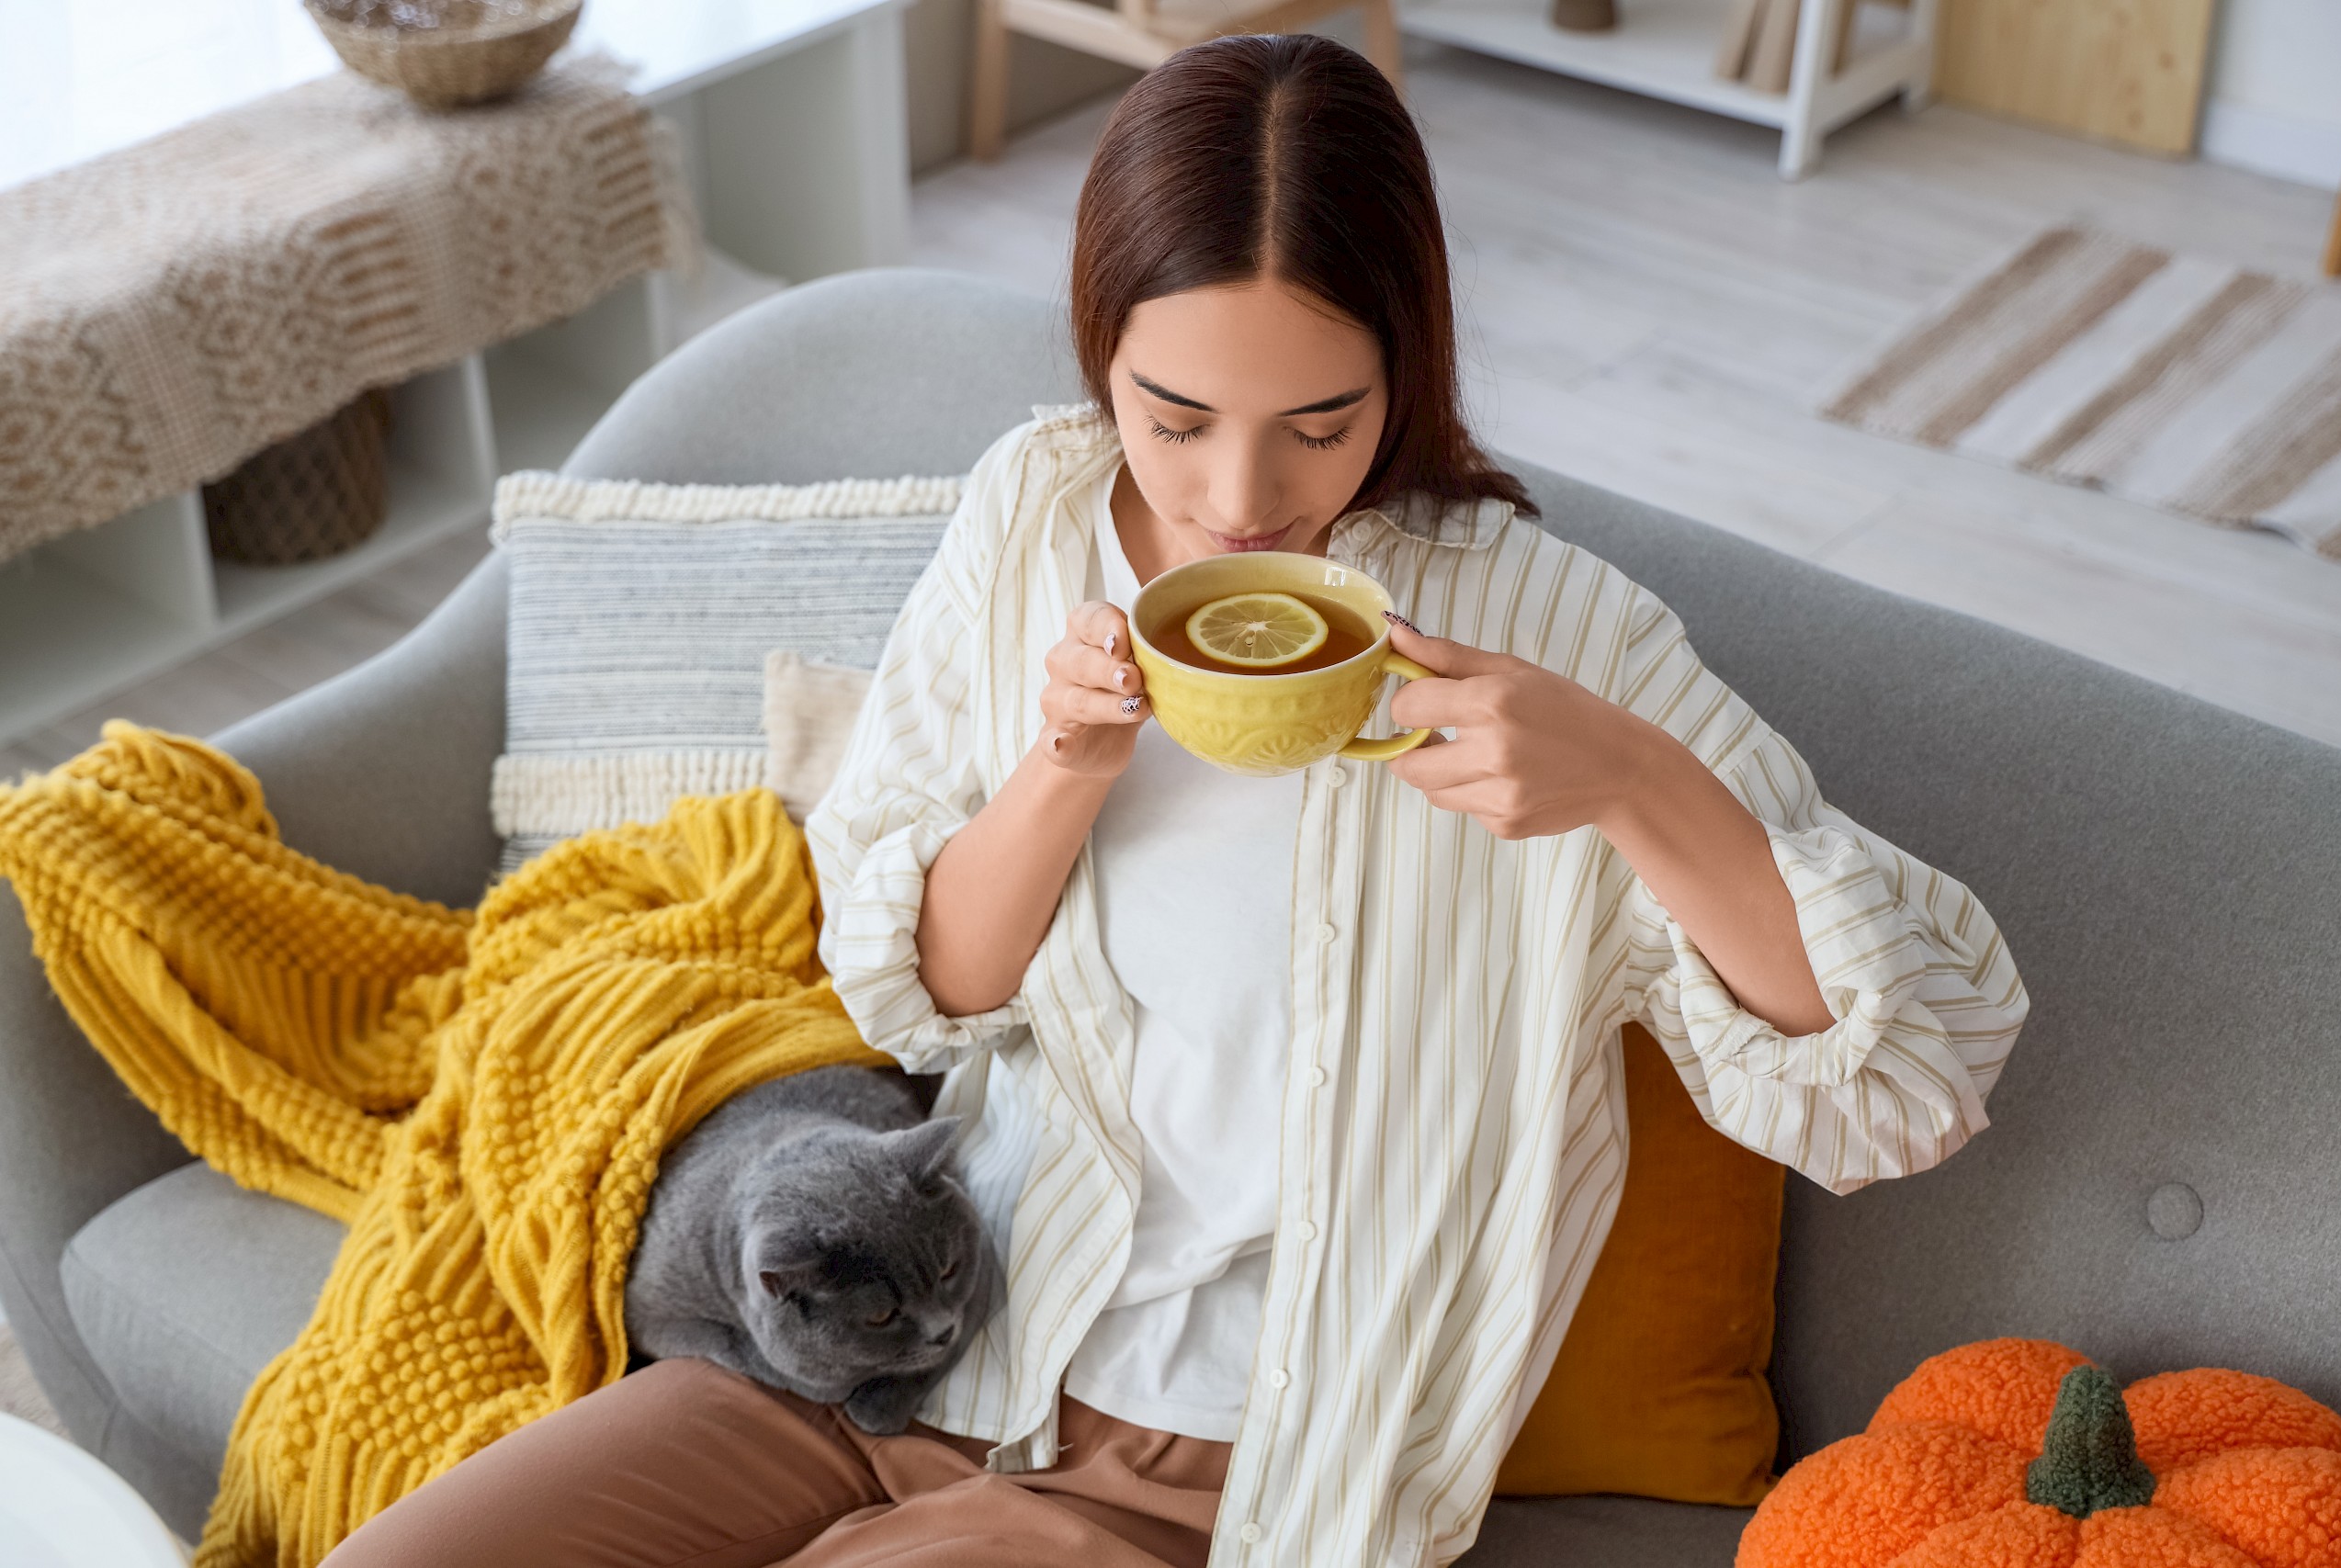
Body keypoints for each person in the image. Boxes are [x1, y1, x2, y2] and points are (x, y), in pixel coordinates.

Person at [326, 34, 2027, 1568]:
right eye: (1175, 415)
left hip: (1206, 1478)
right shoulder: (1031, 512)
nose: (1237, 498)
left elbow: (1907, 1080)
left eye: (1320, 422)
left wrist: (1638, 784)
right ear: (1101, 355)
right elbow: (922, 986)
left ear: (1407, 369)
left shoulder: (1548, 635)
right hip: (906, 1351)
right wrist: (1062, 772)